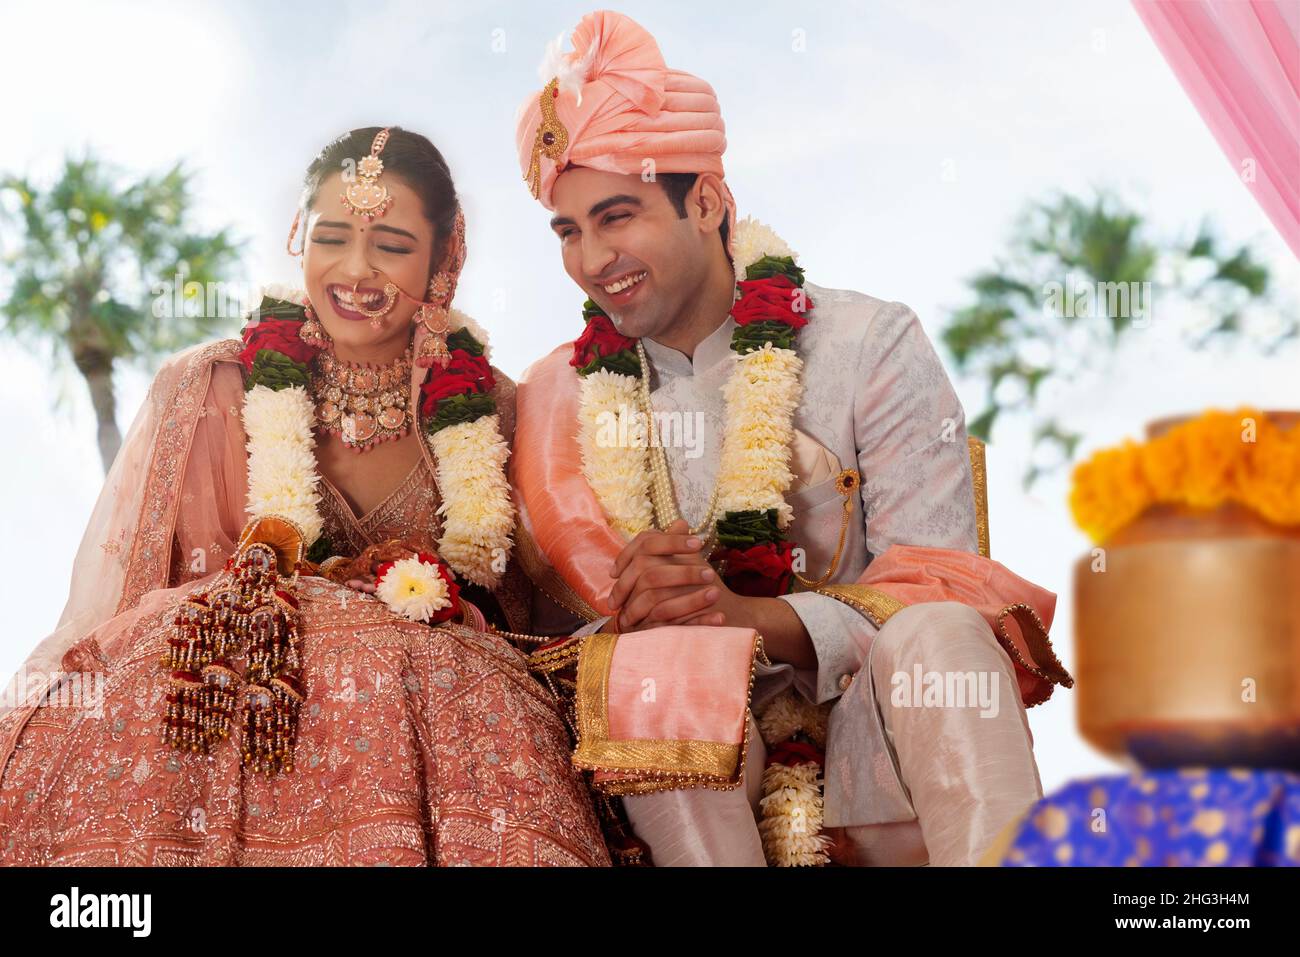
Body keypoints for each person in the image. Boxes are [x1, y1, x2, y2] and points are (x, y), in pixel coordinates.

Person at [511, 11, 1073, 866]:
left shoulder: (866, 343)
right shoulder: (564, 395)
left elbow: (940, 581)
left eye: (615, 216)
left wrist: (746, 618)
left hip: (873, 751)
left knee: (945, 639)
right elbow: (543, 630)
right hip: (690, 771)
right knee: (652, 674)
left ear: (705, 200)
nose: (591, 260)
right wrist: (638, 612)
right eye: (568, 230)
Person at [0, 126, 609, 867]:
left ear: (444, 258)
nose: (355, 270)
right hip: (225, 720)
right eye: (331, 238)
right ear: (299, 238)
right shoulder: (211, 390)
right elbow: (137, 593)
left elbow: (538, 617)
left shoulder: (494, 410)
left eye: (390, 243)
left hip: (435, 747)